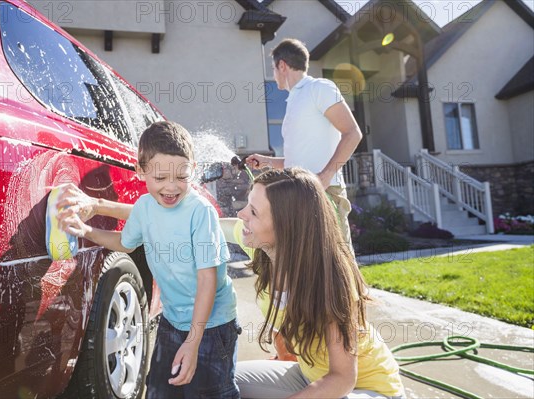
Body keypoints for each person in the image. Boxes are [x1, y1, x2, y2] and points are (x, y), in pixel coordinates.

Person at [57, 121, 240, 398]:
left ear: (192, 167)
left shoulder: (200, 212)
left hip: (212, 326)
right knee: (159, 390)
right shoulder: (145, 207)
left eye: (181, 177)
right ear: (141, 171)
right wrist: (86, 231)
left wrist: (193, 342)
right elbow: (124, 243)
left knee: (207, 393)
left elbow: (207, 279)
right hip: (173, 320)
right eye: (161, 178)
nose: (171, 187)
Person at [220, 168, 405, 399]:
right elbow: (215, 226)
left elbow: (343, 378)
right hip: (310, 377)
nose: (241, 214)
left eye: (254, 212)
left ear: (286, 226)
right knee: (219, 382)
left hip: (366, 390)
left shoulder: (331, 279)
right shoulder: (261, 246)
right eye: (248, 204)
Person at [246, 38, 362, 253]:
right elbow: (297, 161)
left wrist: (325, 177)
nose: (274, 74)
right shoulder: (293, 101)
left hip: (326, 193)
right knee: (309, 268)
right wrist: (268, 162)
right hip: (299, 194)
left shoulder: (319, 88)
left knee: (339, 266)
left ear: (282, 65)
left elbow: (353, 133)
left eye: (273, 68)